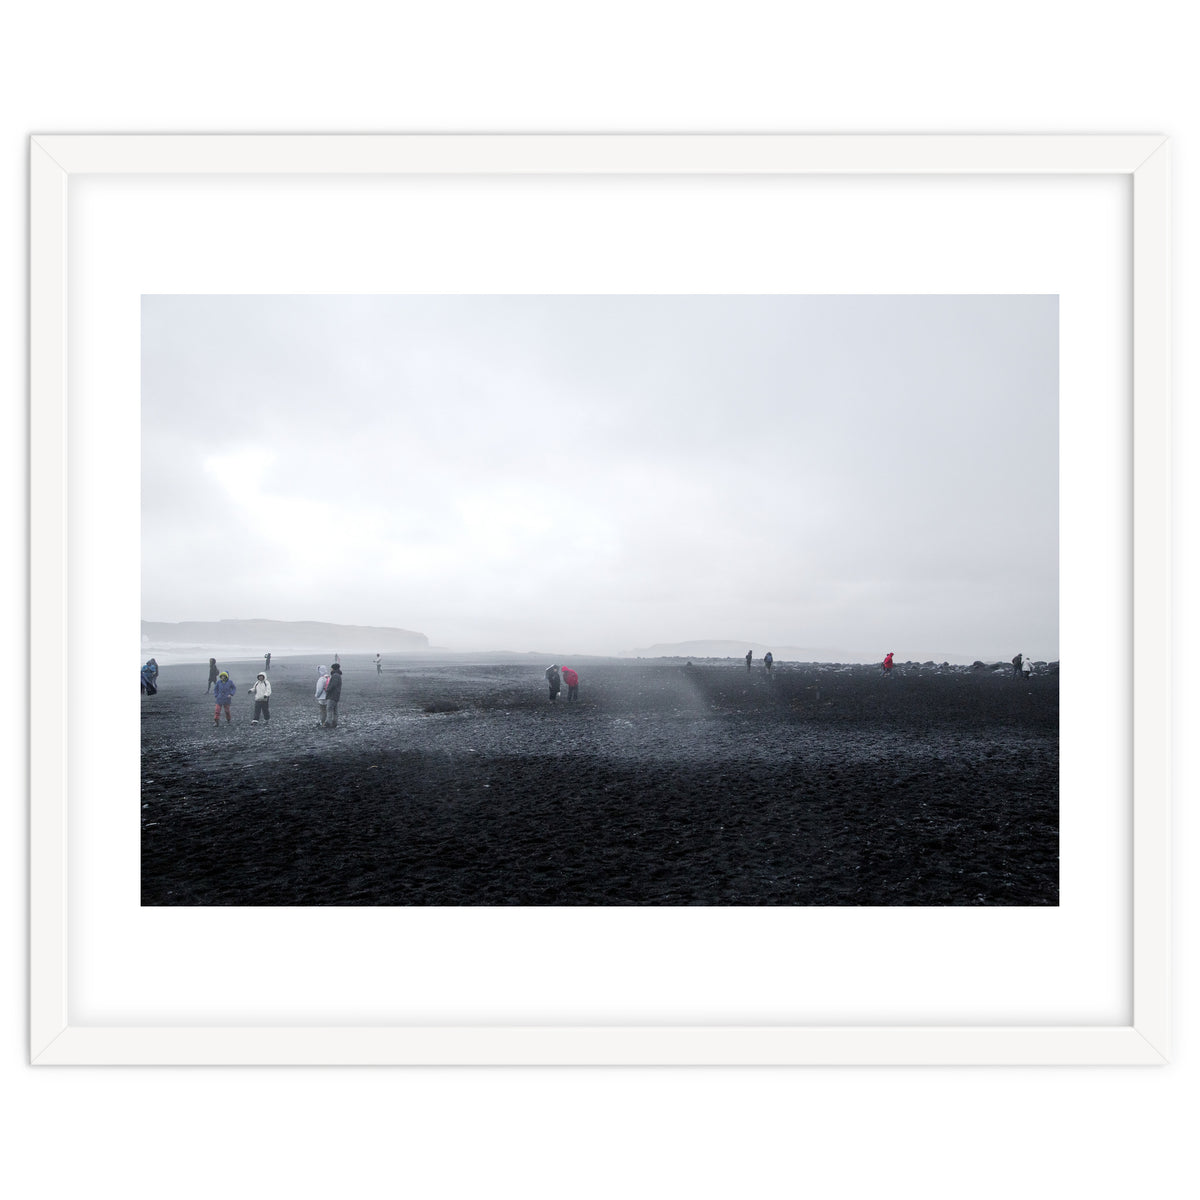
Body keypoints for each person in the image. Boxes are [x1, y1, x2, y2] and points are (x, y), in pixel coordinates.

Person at [324, 662, 343, 727]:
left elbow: (332, 685)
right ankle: (334, 722)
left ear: (333, 668)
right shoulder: (338, 675)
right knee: (335, 709)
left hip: (332, 695)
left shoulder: (335, 675)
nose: (330, 669)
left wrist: (327, 689)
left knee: (329, 709)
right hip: (336, 695)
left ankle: (328, 723)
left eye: (331, 668)